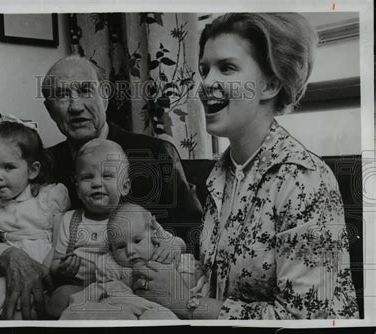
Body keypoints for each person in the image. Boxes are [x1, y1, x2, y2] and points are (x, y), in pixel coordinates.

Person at [131, 13, 360, 319]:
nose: (206, 83)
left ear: (270, 85)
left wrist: (185, 301)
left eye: (226, 68)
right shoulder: (221, 174)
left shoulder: (304, 180)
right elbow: (222, 283)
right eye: (204, 70)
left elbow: (302, 322)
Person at [0, 55, 203, 319]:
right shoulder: (42, 164)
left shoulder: (153, 153)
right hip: (71, 301)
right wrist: (9, 256)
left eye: (86, 90)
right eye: (62, 96)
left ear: (105, 94)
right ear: (50, 110)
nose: (75, 106)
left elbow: (193, 229)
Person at [45, 139, 185, 318]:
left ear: (125, 186)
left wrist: (170, 245)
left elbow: (178, 244)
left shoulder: (133, 216)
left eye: (107, 176)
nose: (96, 183)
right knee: (59, 296)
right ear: (77, 188)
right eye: (88, 177)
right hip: (84, 288)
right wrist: (61, 269)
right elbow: (55, 263)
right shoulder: (69, 220)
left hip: (128, 287)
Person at [0, 121, 70, 319]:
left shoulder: (51, 197)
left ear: (32, 170)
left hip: (49, 277)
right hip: (7, 280)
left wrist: (44, 274)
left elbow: (61, 243)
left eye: (9, 167)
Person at [59, 203, 197, 320]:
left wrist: (173, 248)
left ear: (152, 233)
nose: (130, 251)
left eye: (137, 241)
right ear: (111, 248)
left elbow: (183, 257)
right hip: (129, 306)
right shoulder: (110, 263)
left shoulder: (161, 248)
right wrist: (127, 283)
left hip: (165, 304)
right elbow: (107, 292)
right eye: (120, 246)